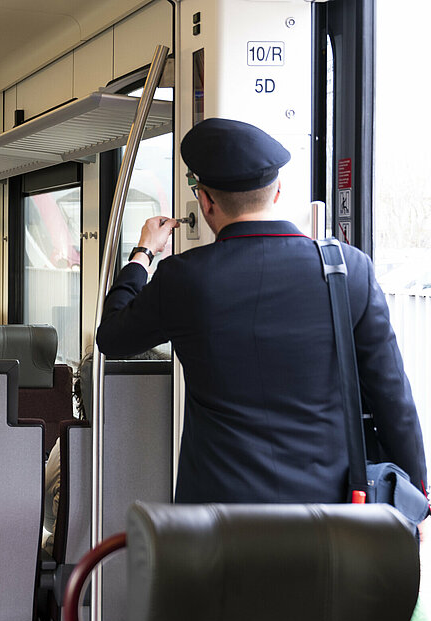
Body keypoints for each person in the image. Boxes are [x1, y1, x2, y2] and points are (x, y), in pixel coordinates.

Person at [96, 117, 426, 505]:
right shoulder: (347, 271)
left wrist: (143, 254)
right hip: (328, 514)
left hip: (217, 519)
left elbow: (112, 336)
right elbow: (392, 397)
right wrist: (417, 494)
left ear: (205, 201)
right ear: (278, 191)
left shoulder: (184, 279)